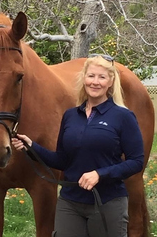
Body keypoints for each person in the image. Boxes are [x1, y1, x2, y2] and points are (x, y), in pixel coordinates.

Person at [11, 54, 144, 237]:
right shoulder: (71, 116)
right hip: (70, 203)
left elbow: (136, 161)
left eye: (101, 77)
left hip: (107, 202)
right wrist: (31, 147)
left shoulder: (123, 116)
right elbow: (63, 160)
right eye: (91, 76)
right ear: (84, 79)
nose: (95, 82)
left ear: (111, 81)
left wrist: (100, 174)